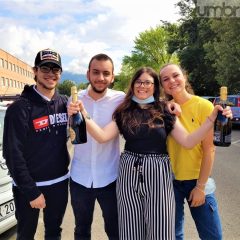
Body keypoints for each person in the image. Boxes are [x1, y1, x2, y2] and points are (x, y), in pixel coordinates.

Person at [69, 66, 230, 240]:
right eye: (139, 81)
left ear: (155, 86)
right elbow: (102, 136)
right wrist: (84, 113)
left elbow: (189, 141)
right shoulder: (124, 111)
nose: (143, 86)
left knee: (161, 230)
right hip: (128, 173)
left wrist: (211, 119)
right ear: (133, 85)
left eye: (148, 82)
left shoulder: (165, 110)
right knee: (130, 230)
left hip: (158, 173)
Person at [3, 48, 69, 240]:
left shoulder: (65, 103)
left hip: (59, 183)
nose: (50, 73)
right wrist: (31, 192)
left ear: (60, 73)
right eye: (45, 68)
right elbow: (13, 154)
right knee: (25, 235)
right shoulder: (19, 109)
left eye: (55, 69)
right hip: (29, 187)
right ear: (35, 71)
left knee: (54, 232)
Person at [159, 63, 225, 240]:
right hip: (170, 182)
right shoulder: (163, 109)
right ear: (162, 85)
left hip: (198, 180)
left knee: (212, 236)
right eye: (165, 79)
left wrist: (200, 187)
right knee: (172, 235)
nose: (172, 81)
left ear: (184, 77)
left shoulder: (204, 106)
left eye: (175, 75)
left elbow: (209, 149)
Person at [69, 53, 125, 240]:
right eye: (96, 72)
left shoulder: (121, 100)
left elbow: (147, 101)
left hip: (110, 177)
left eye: (106, 73)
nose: (101, 78)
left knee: (115, 230)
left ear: (112, 77)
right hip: (80, 178)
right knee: (81, 230)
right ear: (87, 74)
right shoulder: (73, 100)